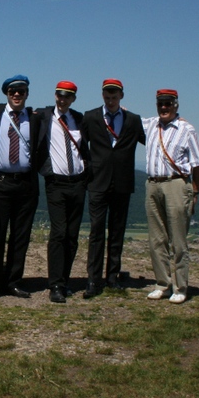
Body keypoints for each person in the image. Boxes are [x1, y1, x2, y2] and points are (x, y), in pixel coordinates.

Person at [0, 75, 44, 299]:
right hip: (1, 183)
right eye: (13, 92)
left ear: (27, 94)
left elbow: (62, 112)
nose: (17, 95)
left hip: (26, 184)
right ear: (6, 94)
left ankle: (14, 281)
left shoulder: (35, 118)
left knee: (20, 236)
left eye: (21, 92)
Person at [80, 78, 146, 298]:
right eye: (107, 97)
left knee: (117, 233)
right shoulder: (90, 117)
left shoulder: (133, 120)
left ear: (121, 97)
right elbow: (80, 143)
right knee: (97, 232)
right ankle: (93, 279)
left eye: (114, 97)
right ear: (102, 96)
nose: (110, 101)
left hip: (123, 183)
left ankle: (112, 277)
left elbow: (152, 138)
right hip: (98, 182)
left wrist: (177, 120)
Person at [142, 89, 199, 304]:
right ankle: (162, 283)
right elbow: (125, 119)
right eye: (161, 103)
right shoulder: (150, 125)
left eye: (168, 103)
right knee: (157, 239)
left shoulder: (187, 129)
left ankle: (180, 287)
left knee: (177, 239)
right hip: (153, 184)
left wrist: (194, 191)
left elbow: (197, 163)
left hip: (176, 183)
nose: (164, 107)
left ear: (176, 105)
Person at [35, 81, 88, 303]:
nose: (62, 99)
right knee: (59, 233)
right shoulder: (44, 115)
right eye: (59, 95)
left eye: (67, 96)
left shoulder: (80, 119)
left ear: (73, 98)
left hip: (78, 182)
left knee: (72, 235)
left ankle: (64, 280)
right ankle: (55, 284)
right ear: (55, 96)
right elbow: (13, 109)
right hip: (56, 182)